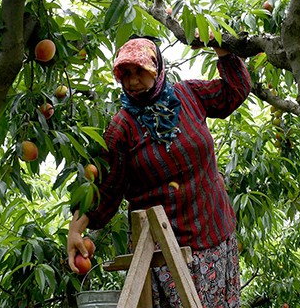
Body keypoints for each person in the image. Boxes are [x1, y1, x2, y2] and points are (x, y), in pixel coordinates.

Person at [67, 37, 251, 307]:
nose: (132, 81)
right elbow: (105, 190)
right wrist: (75, 230)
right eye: (125, 74)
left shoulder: (188, 96)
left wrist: (218, 43)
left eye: (140, 71)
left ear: (157, 68)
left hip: (215, 234)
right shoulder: (122, 129)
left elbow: (234, 91)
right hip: (165, 252)